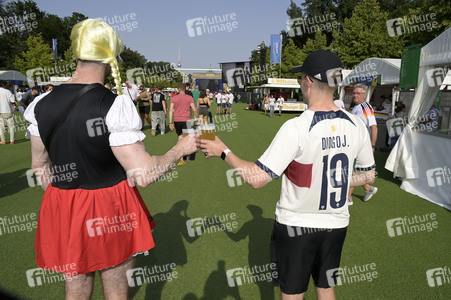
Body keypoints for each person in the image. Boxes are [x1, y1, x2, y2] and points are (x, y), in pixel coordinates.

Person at [24, 19, 198, 300]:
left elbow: (39, 166)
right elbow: (144, 173)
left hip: (63, 205)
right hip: (110, 205)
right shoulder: (114, 104)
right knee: (116, 289)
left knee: (76, 289)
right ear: (109, 56)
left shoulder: (40, 104)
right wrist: (179, 148)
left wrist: (67, 202)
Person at [201, 50, 375, 300]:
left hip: (297, 226)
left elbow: (257, 178)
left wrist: (223, 150)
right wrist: (335, 182)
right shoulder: (356, 124)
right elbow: (368, 176)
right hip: (337, 224)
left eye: (300, 79)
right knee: (326, 289)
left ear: (309, 82)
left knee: (293, 294)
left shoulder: (297, 126)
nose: (300, 85)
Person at [347, 84, 378, 205]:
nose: (355, 95)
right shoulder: (356, 107)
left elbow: (374, 127)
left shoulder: (366, 107)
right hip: (355, 145)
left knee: (355, 171)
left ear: (364, 95)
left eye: (358, 93)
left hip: (363, 146)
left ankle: (348, 198)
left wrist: (372, 146)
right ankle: (368, 189)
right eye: (354, 93)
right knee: (356, 170)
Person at [169, 83, 198, 165]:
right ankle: (184, 155)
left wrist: (170, 122)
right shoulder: (189, 98)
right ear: (185, 89)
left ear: (178, 89)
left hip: (176, 120)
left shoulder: (174, 98)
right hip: (186, 120)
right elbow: (194, 109)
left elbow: (171, 110)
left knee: (180, 137)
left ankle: (181, 157)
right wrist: (198, 118)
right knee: (187, 137)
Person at [0, 80, 16, 144]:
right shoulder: (7, 91)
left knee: (1, 127)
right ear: (4, 85)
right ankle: (12, 140)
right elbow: (12, 100)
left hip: (0, 112)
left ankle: (3, 140)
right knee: (11, 126)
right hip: (8, 111)